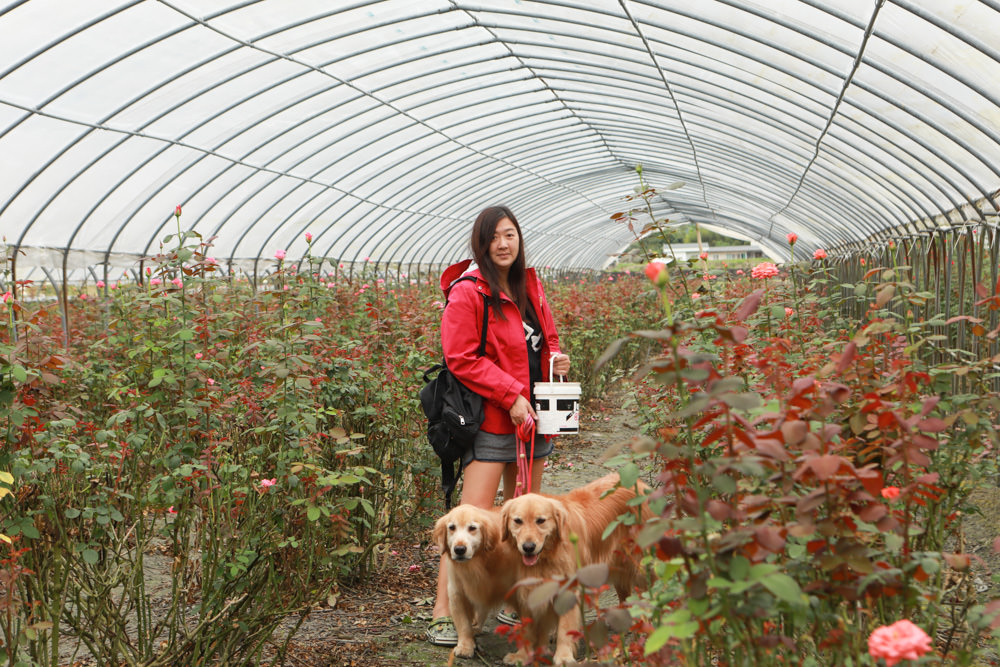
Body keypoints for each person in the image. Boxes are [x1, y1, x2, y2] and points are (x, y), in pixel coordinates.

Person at [425, 205, 571, 647]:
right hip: (492, 420)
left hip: (536, 419)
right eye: (494, 238)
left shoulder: (530, 284)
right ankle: (444, 612)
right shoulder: (468, 292)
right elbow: (461, 357)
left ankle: (511, 602)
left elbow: (548, 339)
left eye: (511, 235)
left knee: (522, 521)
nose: (504, 244)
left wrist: (556, 360)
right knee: (469, 523)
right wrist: (510, 396)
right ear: (481, 244)